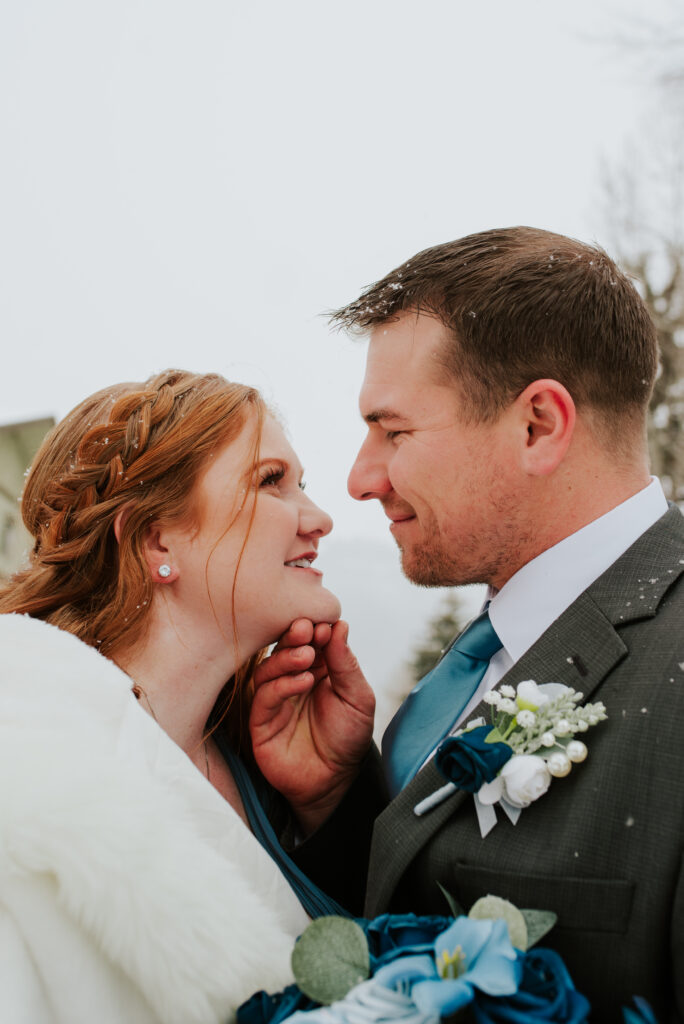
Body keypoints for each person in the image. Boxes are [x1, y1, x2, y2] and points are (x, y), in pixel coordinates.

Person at [250, 228, 684, 1023]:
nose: (359, 478)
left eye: (395, 430)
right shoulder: (474, 661)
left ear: (538, 426)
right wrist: (338, 803)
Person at [0, 369, 374, 1024]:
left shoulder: (259, 756)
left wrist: (327, 803)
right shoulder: (30, 794)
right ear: (156, 540)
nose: (319, 519)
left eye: (302, 484)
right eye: (271, 482)